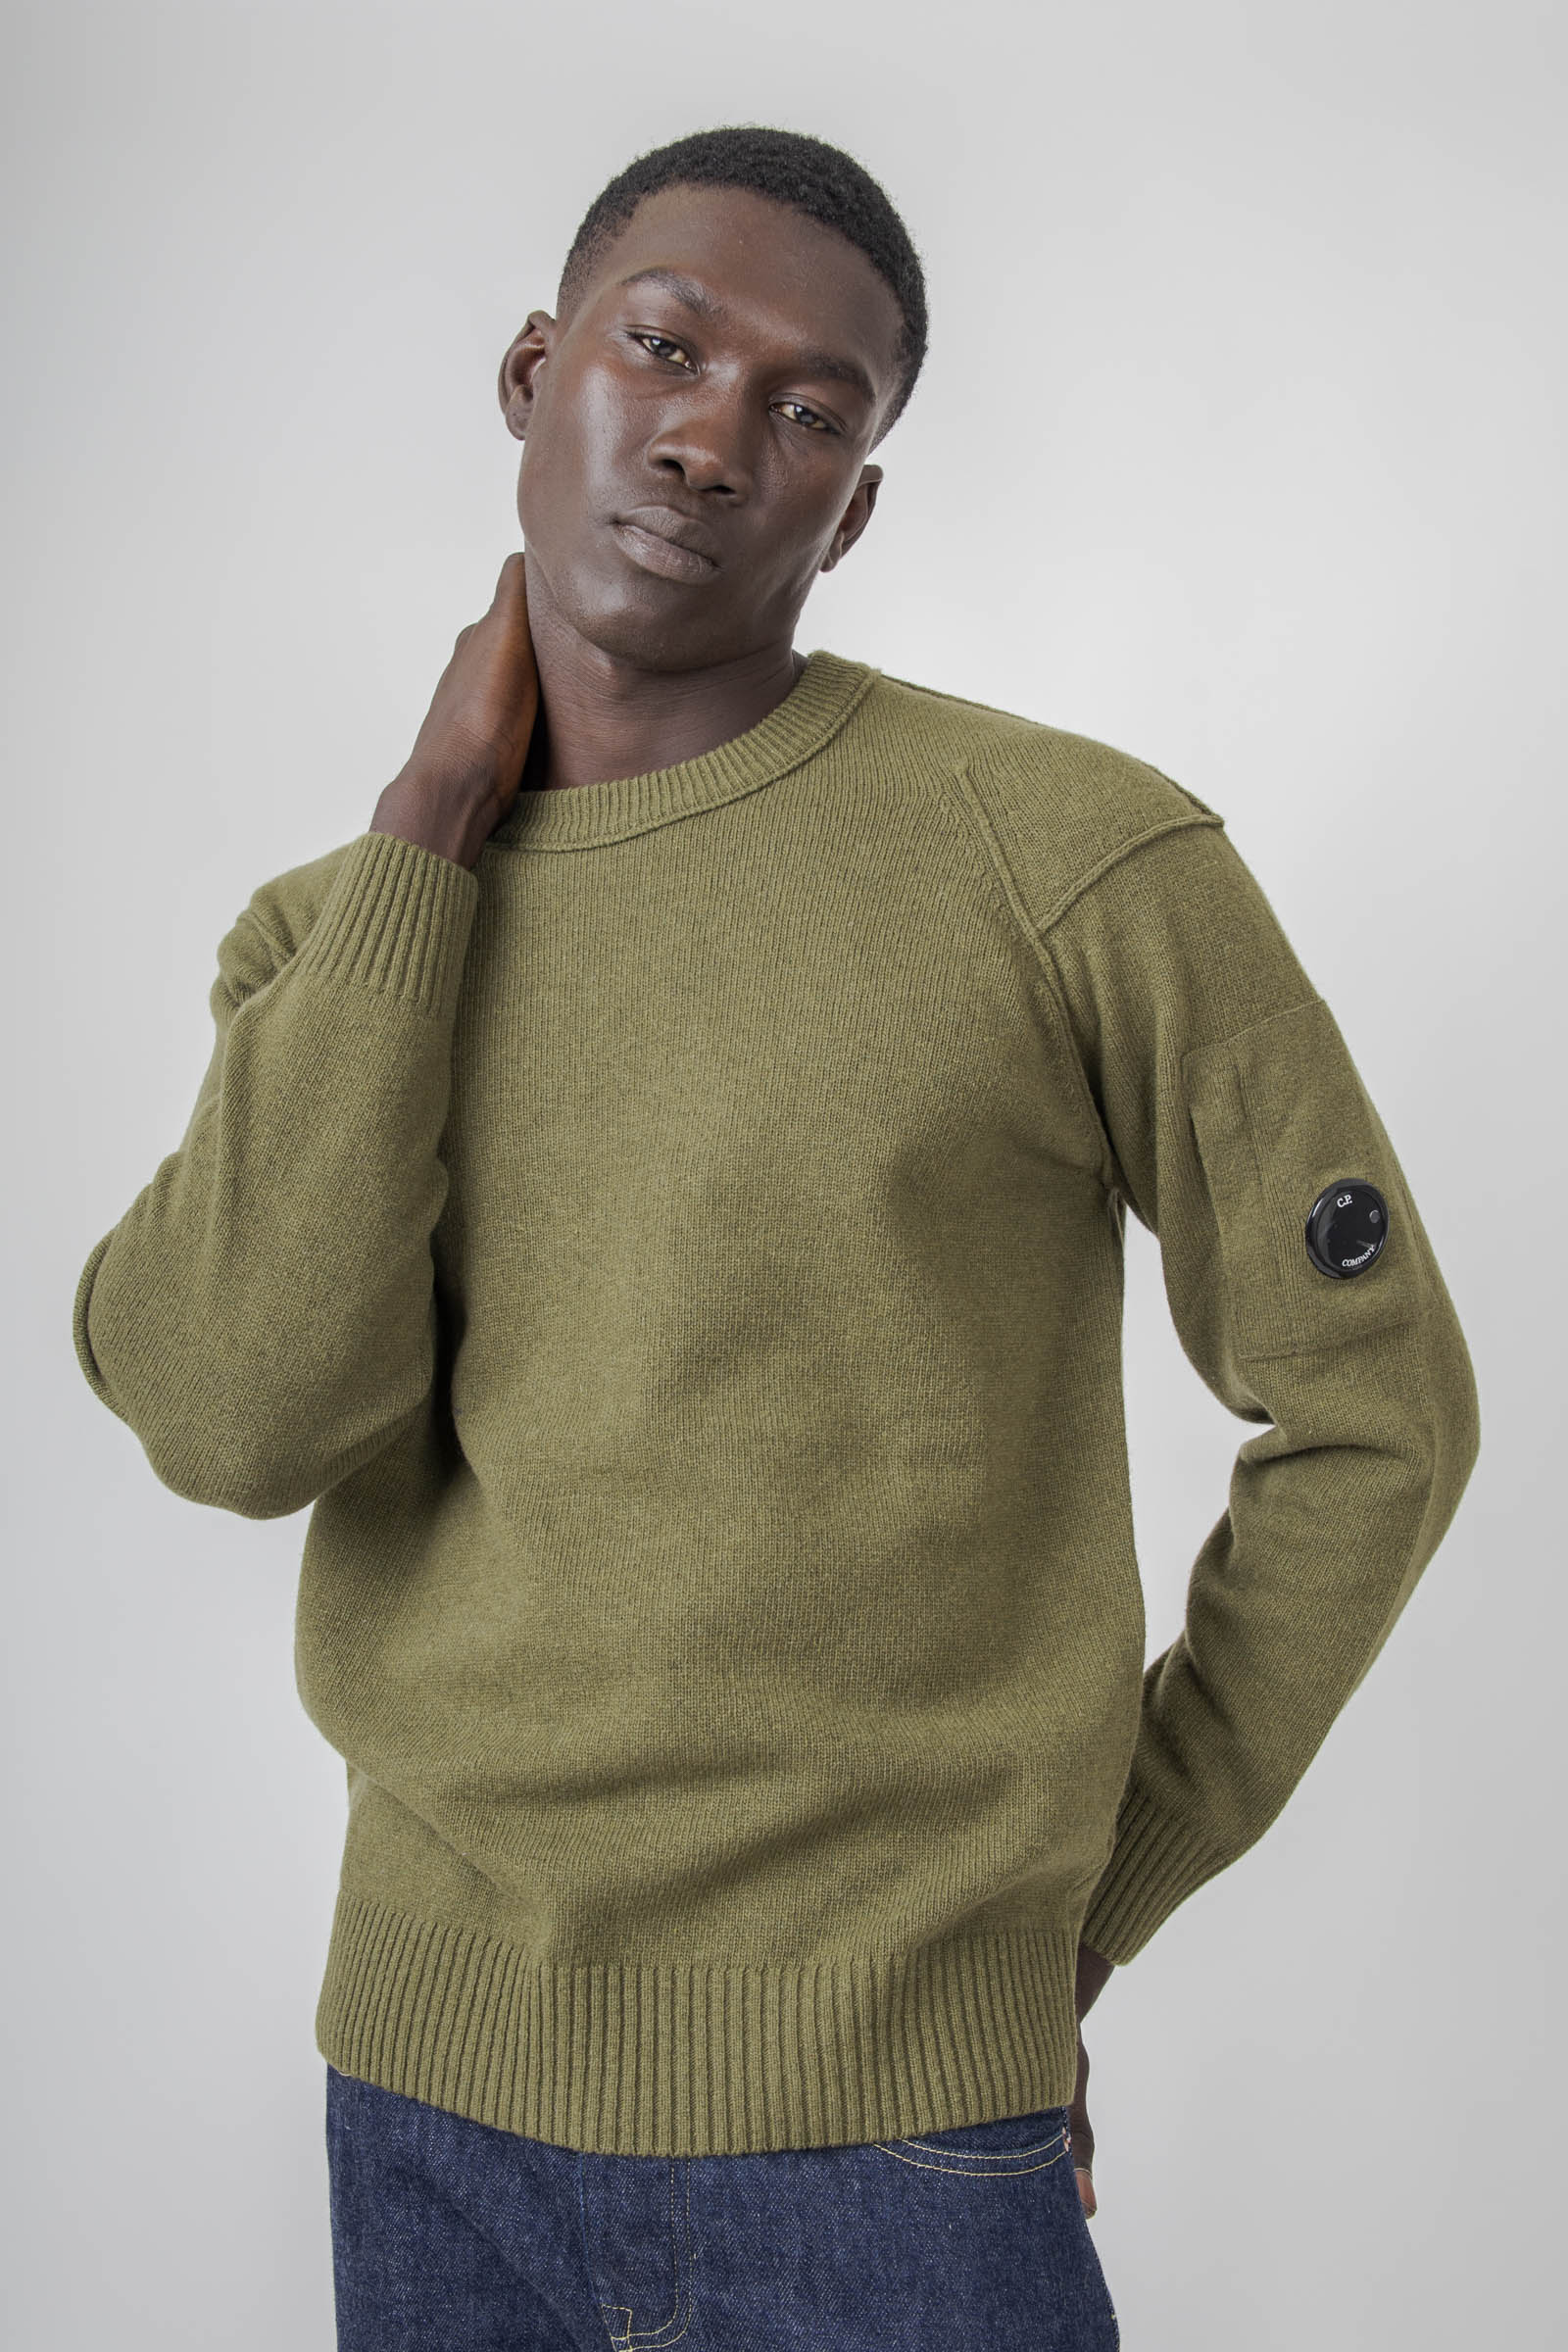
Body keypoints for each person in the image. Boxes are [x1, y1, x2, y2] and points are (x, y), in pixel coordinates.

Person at [71, 123, 1480, 2351]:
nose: (714, 438)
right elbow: (235, 1422)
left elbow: (1378, 1415)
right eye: (664, 348)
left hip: (895, 2154)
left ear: (856, 505)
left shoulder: (1066, 861)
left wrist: (1085, 1900)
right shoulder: (334, 946)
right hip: (425, 2119)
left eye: (809, 411)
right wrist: (430, 824)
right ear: (532, 374)